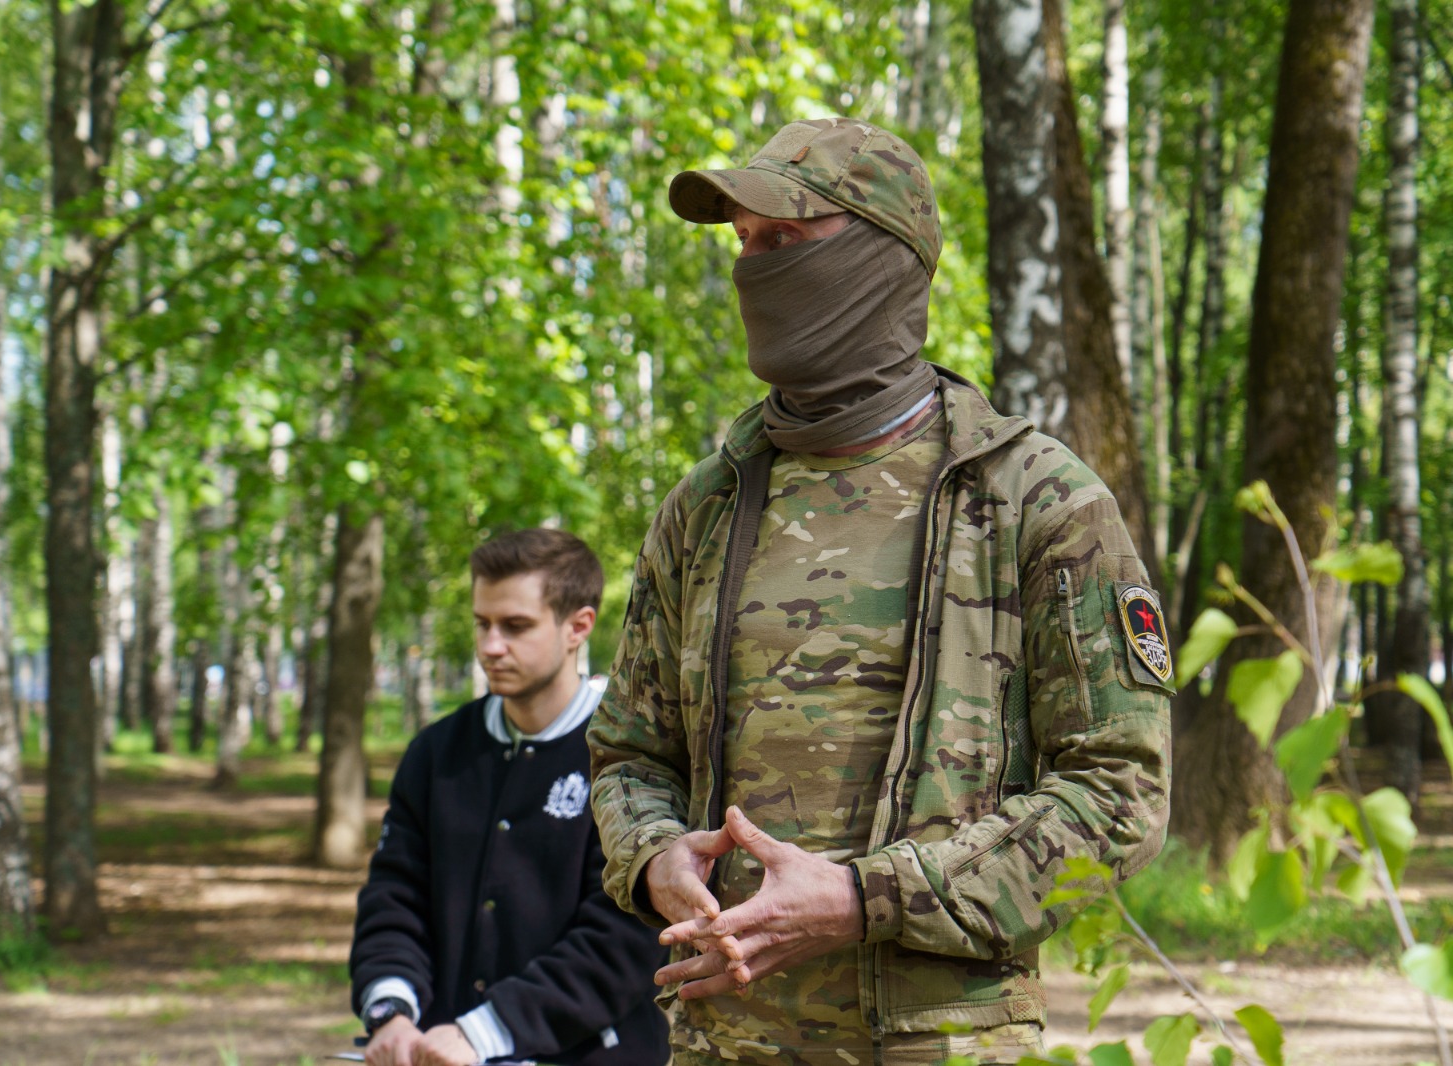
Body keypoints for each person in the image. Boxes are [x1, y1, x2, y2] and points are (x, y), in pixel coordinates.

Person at [586, 117, 1174, 1065]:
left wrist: (865, 901)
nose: (754, 268)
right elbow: (627, 756)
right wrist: (652, 853)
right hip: (722, 1041)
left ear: (880, 259)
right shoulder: (704, 505)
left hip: (944, 1045)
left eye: (785, 239)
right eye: (743, 242)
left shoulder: (1035, 497)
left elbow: (1120, 796)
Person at [351, 528, 669, 1066]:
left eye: (515, 626)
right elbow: (395, 893)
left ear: (578, 626)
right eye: (482, 624)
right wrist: (392, 1008)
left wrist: (487, 1031)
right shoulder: (436, 753)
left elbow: (625, 933)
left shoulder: (632, 759)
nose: (490, 646)